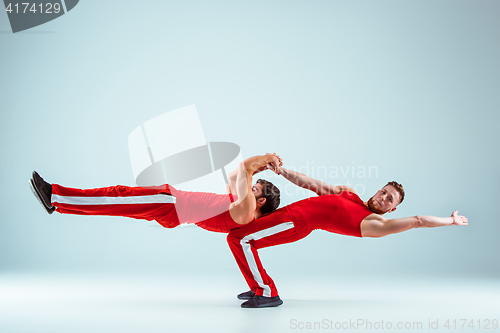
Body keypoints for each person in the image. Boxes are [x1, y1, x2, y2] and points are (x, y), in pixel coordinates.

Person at [227, 165, 469, 308]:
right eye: (384, 191)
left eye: (389, 199)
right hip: (287, 213)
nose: (383, 197)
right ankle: (259, 288)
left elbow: (418, 221)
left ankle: (268, 293)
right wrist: (279, 170)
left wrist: (451, 220)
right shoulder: (350, 194)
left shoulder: (374, 223)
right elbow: (311, 183)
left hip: (294, 223)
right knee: (238, 236)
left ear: (392, 209)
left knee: (239, 239)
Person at [30, 154, 282, 233]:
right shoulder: (239, 208)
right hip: (172, 206)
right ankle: (58, 203)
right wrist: (260, 167)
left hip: (172, 205)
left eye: (254, 190)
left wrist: (267, 158)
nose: (248, 190)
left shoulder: (245, 211)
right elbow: (235, 175)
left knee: (117, 196)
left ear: (259, 201)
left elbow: (244, 168)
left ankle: (54, 197)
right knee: (115, 202)